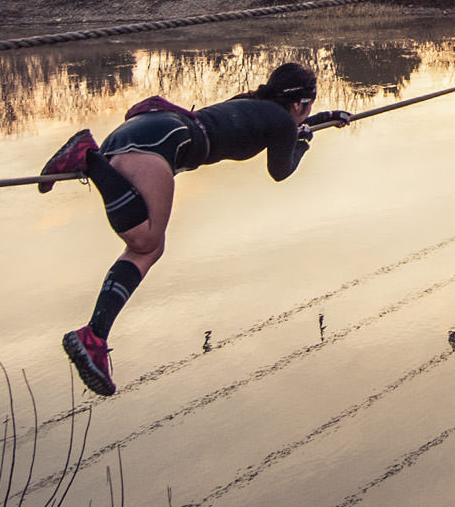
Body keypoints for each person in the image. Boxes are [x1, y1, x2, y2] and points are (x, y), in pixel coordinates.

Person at [38, 62, 352, 396]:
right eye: (310, 108)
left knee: (147, 246)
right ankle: (89, 158)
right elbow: (281, 170)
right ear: (299, 104)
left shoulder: (254, 106)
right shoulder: (280, 122)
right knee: (147, 242)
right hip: (164, 145)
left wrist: (316, 123)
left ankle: (94, 336)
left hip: (143, 132)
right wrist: (302, 142)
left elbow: (278, 128)